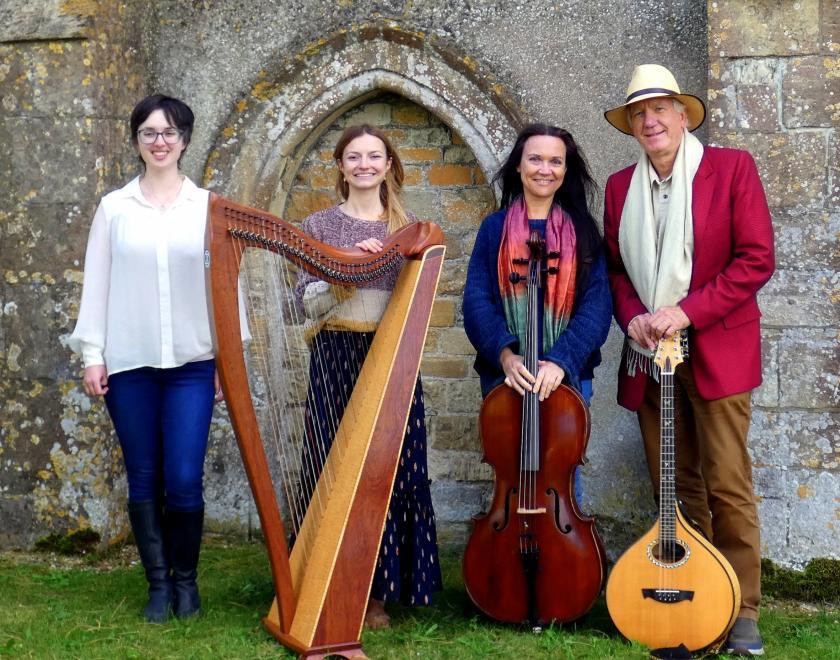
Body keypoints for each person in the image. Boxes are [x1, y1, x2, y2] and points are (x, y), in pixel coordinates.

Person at [602, 64, 775, 655]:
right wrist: (635, 318)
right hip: (649, 356)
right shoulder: (620, 188)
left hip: (716, 349)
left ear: (682, 115)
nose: (650, 120)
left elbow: (755, 259)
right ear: (630, 127)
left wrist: (685, 311)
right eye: (638, 114)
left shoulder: (731, 169)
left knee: (727, 483)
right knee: (674, 488)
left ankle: (744, 611)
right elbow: (616, 271)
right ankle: (697, 596)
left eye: (660, 109)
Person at [68, 94, 220, 622]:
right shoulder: (114, 208)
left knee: (182, 477)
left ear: (185, 140)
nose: (160, 141)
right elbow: (98, 284)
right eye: (150, 132)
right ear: (136, 140)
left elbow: (224, 286)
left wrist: (229, 356)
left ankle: (187, 583)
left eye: (170, 132)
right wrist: (93, 354)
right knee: (144, 476)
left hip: (193, 364)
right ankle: (158, 586)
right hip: (129, 362)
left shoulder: (208, 207)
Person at [294, 124, 442, 629]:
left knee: (392, 470)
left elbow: (419, 300)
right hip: (336, 350)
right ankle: (323, 581)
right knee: (331, 466)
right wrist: (342, 276)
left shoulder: (411, 227)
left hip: (390, 357)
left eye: (373, 156)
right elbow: (303, 305)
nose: (363, 164)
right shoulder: (318, 225)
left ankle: (380, 589)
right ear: (340, 166)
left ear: (388, 164)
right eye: (353, 156)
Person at [462, 123, 612, 500]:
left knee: (564, 474)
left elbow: (597, 308)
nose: (545, 169)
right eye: (535, 159)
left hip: (568, 376)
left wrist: (561, 361)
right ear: (518, 166)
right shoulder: (494, 229)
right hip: (506, 377)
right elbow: (476, 301)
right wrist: (506, 355)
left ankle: (567, 555)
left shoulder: (584, 232)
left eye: (555, 161)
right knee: (509, 472)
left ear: (565, 171)